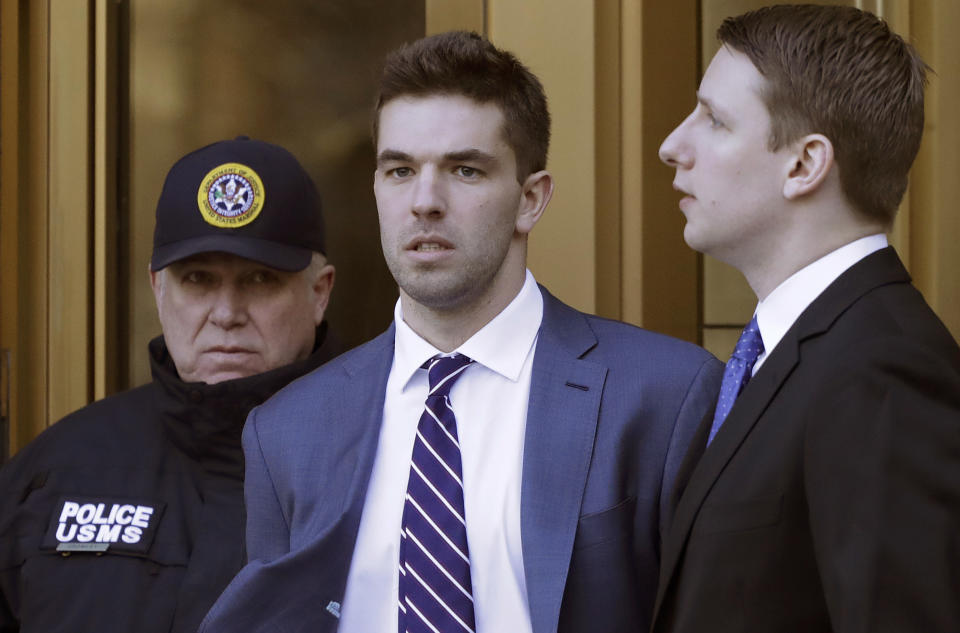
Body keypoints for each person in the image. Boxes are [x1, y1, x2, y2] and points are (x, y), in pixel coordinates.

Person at [200, 31, 722, 633]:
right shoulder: (287, 430)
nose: (424, 201)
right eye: (399, 170)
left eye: (465, 170)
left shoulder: (664, 395)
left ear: (531, 199)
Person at [653, 5, 960, 632]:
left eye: (713, 119)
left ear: (803, 165)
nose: (671, 146)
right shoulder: (805, 349)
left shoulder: (881, 370)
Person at [0, 137, 341, 633]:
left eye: (261, 280)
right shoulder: (56, 471)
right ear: (158, 289)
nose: (226, 314)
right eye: (199, 279)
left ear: (319, 293)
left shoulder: (387, 465)